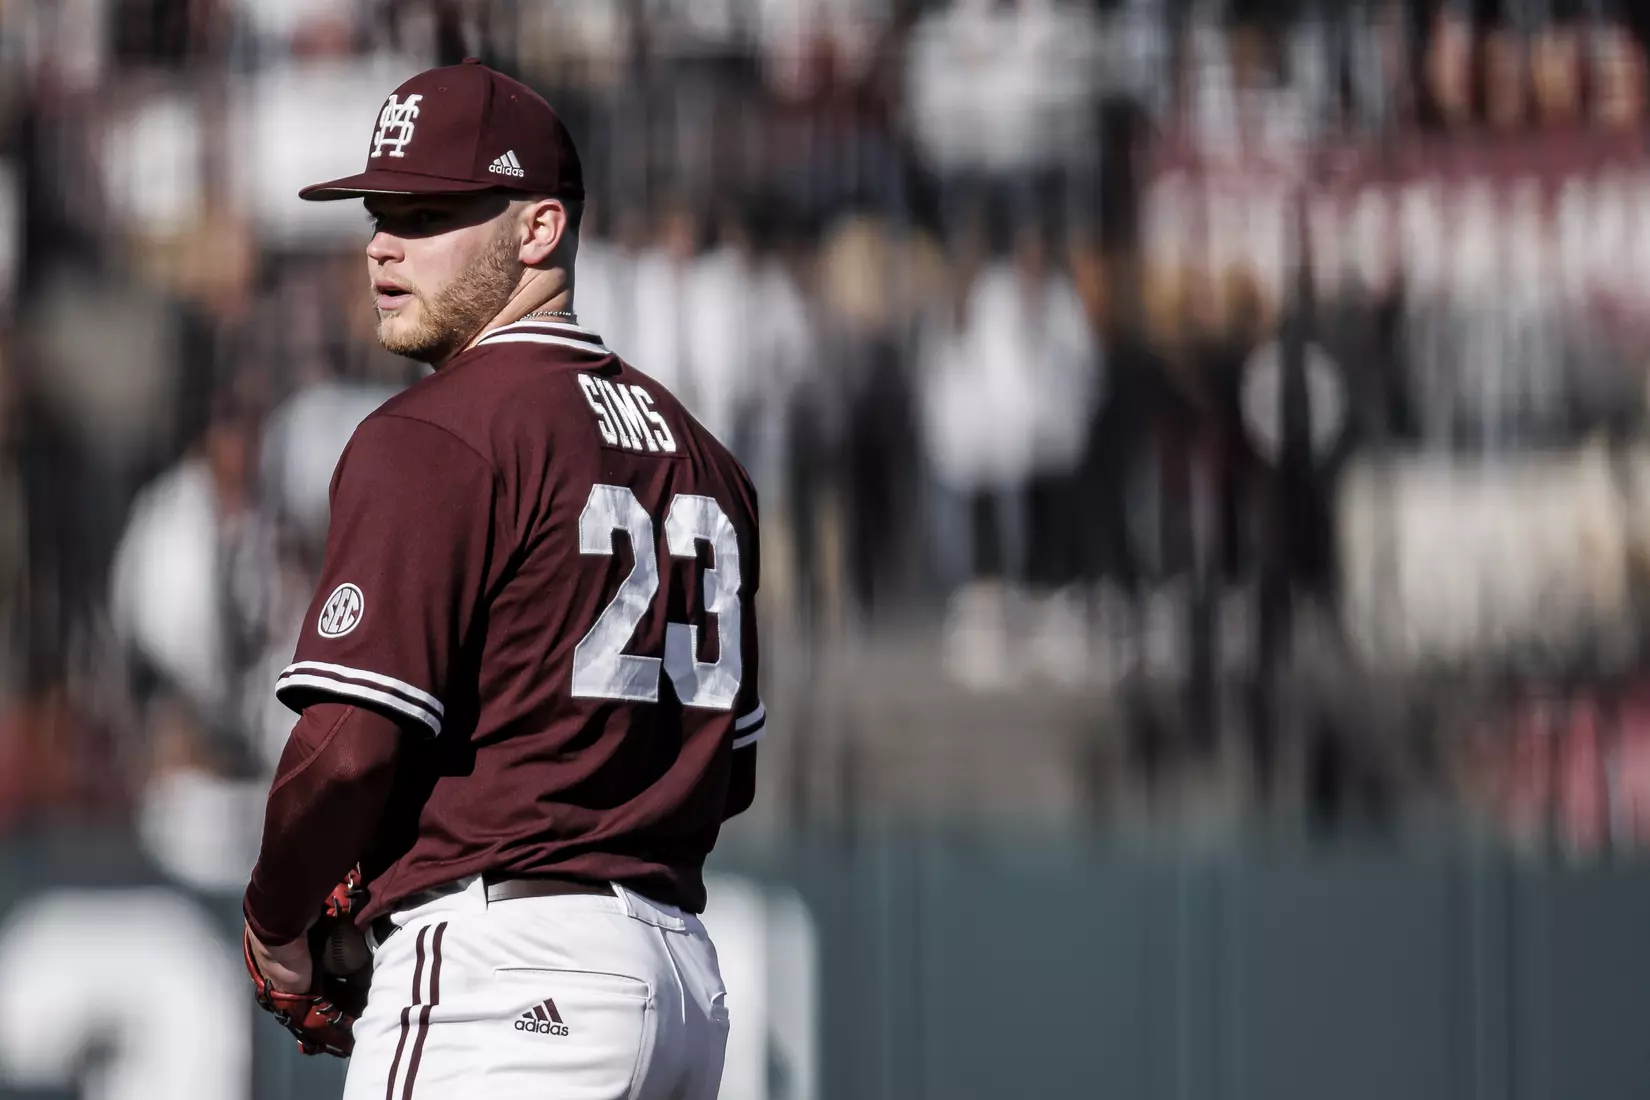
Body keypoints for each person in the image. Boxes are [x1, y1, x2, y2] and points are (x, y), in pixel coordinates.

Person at [239, 59, 764, 1100]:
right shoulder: (705, 459)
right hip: (678, 988)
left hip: (503, 980)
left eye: (430, 211)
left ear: (538, 229)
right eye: (380, 212)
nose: (385, 243)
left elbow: (347, 751)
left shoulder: (435, 435)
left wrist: (277, 919)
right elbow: (726, 772)